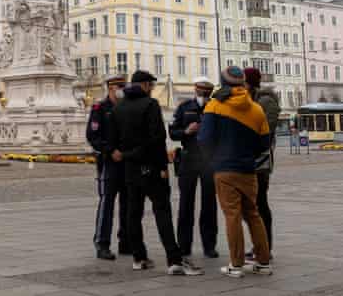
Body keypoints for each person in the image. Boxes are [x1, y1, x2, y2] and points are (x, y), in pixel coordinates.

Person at [109, 70, 203, 275]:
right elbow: (158, 138)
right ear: (144, 85)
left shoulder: (119, 108)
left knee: (133, 213)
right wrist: (162, 168)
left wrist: (125, 155)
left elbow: (113, 141)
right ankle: (174, 260)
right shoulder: (150, 105)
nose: (152, 89)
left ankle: (139, 257)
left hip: (130, 169)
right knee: (162, 212)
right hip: (151, 167)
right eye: (151, 86)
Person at [198, 66, 273, 278]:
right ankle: (263, 262)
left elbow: (204, 139)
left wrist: (213, 158)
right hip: (249, 171)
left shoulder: (214, 106)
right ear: (242, 84)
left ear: (223, 83)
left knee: (232, 215)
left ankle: (236, 264)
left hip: (224, 169)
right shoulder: (256, 109)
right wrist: (248, 155)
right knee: (253, 214)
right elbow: (264, 142)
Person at [169, 77, 218, 259]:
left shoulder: (216, 108)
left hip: (209, 160)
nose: (204, 96)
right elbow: (173, 132)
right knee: (185, 204)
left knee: (209, 205)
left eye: (207, 93)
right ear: (195, 90)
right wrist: (186, 131)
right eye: (201, 92)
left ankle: (209, 245)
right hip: (188, 158)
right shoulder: (184, 107)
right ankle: (184, 245)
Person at [86, 74, 129, 260]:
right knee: (107, 204)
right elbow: (93, 136)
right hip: (108, 163)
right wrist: (110, 150)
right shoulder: (100, 108)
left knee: (128, 204)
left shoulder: (128, 108)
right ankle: (102, 243)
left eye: (123, 86)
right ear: (110, 88)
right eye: (118, 86)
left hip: (127, 162)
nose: (121, 90)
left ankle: (126, 241)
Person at [243, 68, 280, 261]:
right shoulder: (251, 99)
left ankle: (265, 248)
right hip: (249, 158)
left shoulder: (266, 101)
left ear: (249, 83)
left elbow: (267, 129)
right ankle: (259, 245)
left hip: (261, 160)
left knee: (260, 204)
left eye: (243, 82)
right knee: (250, 205)